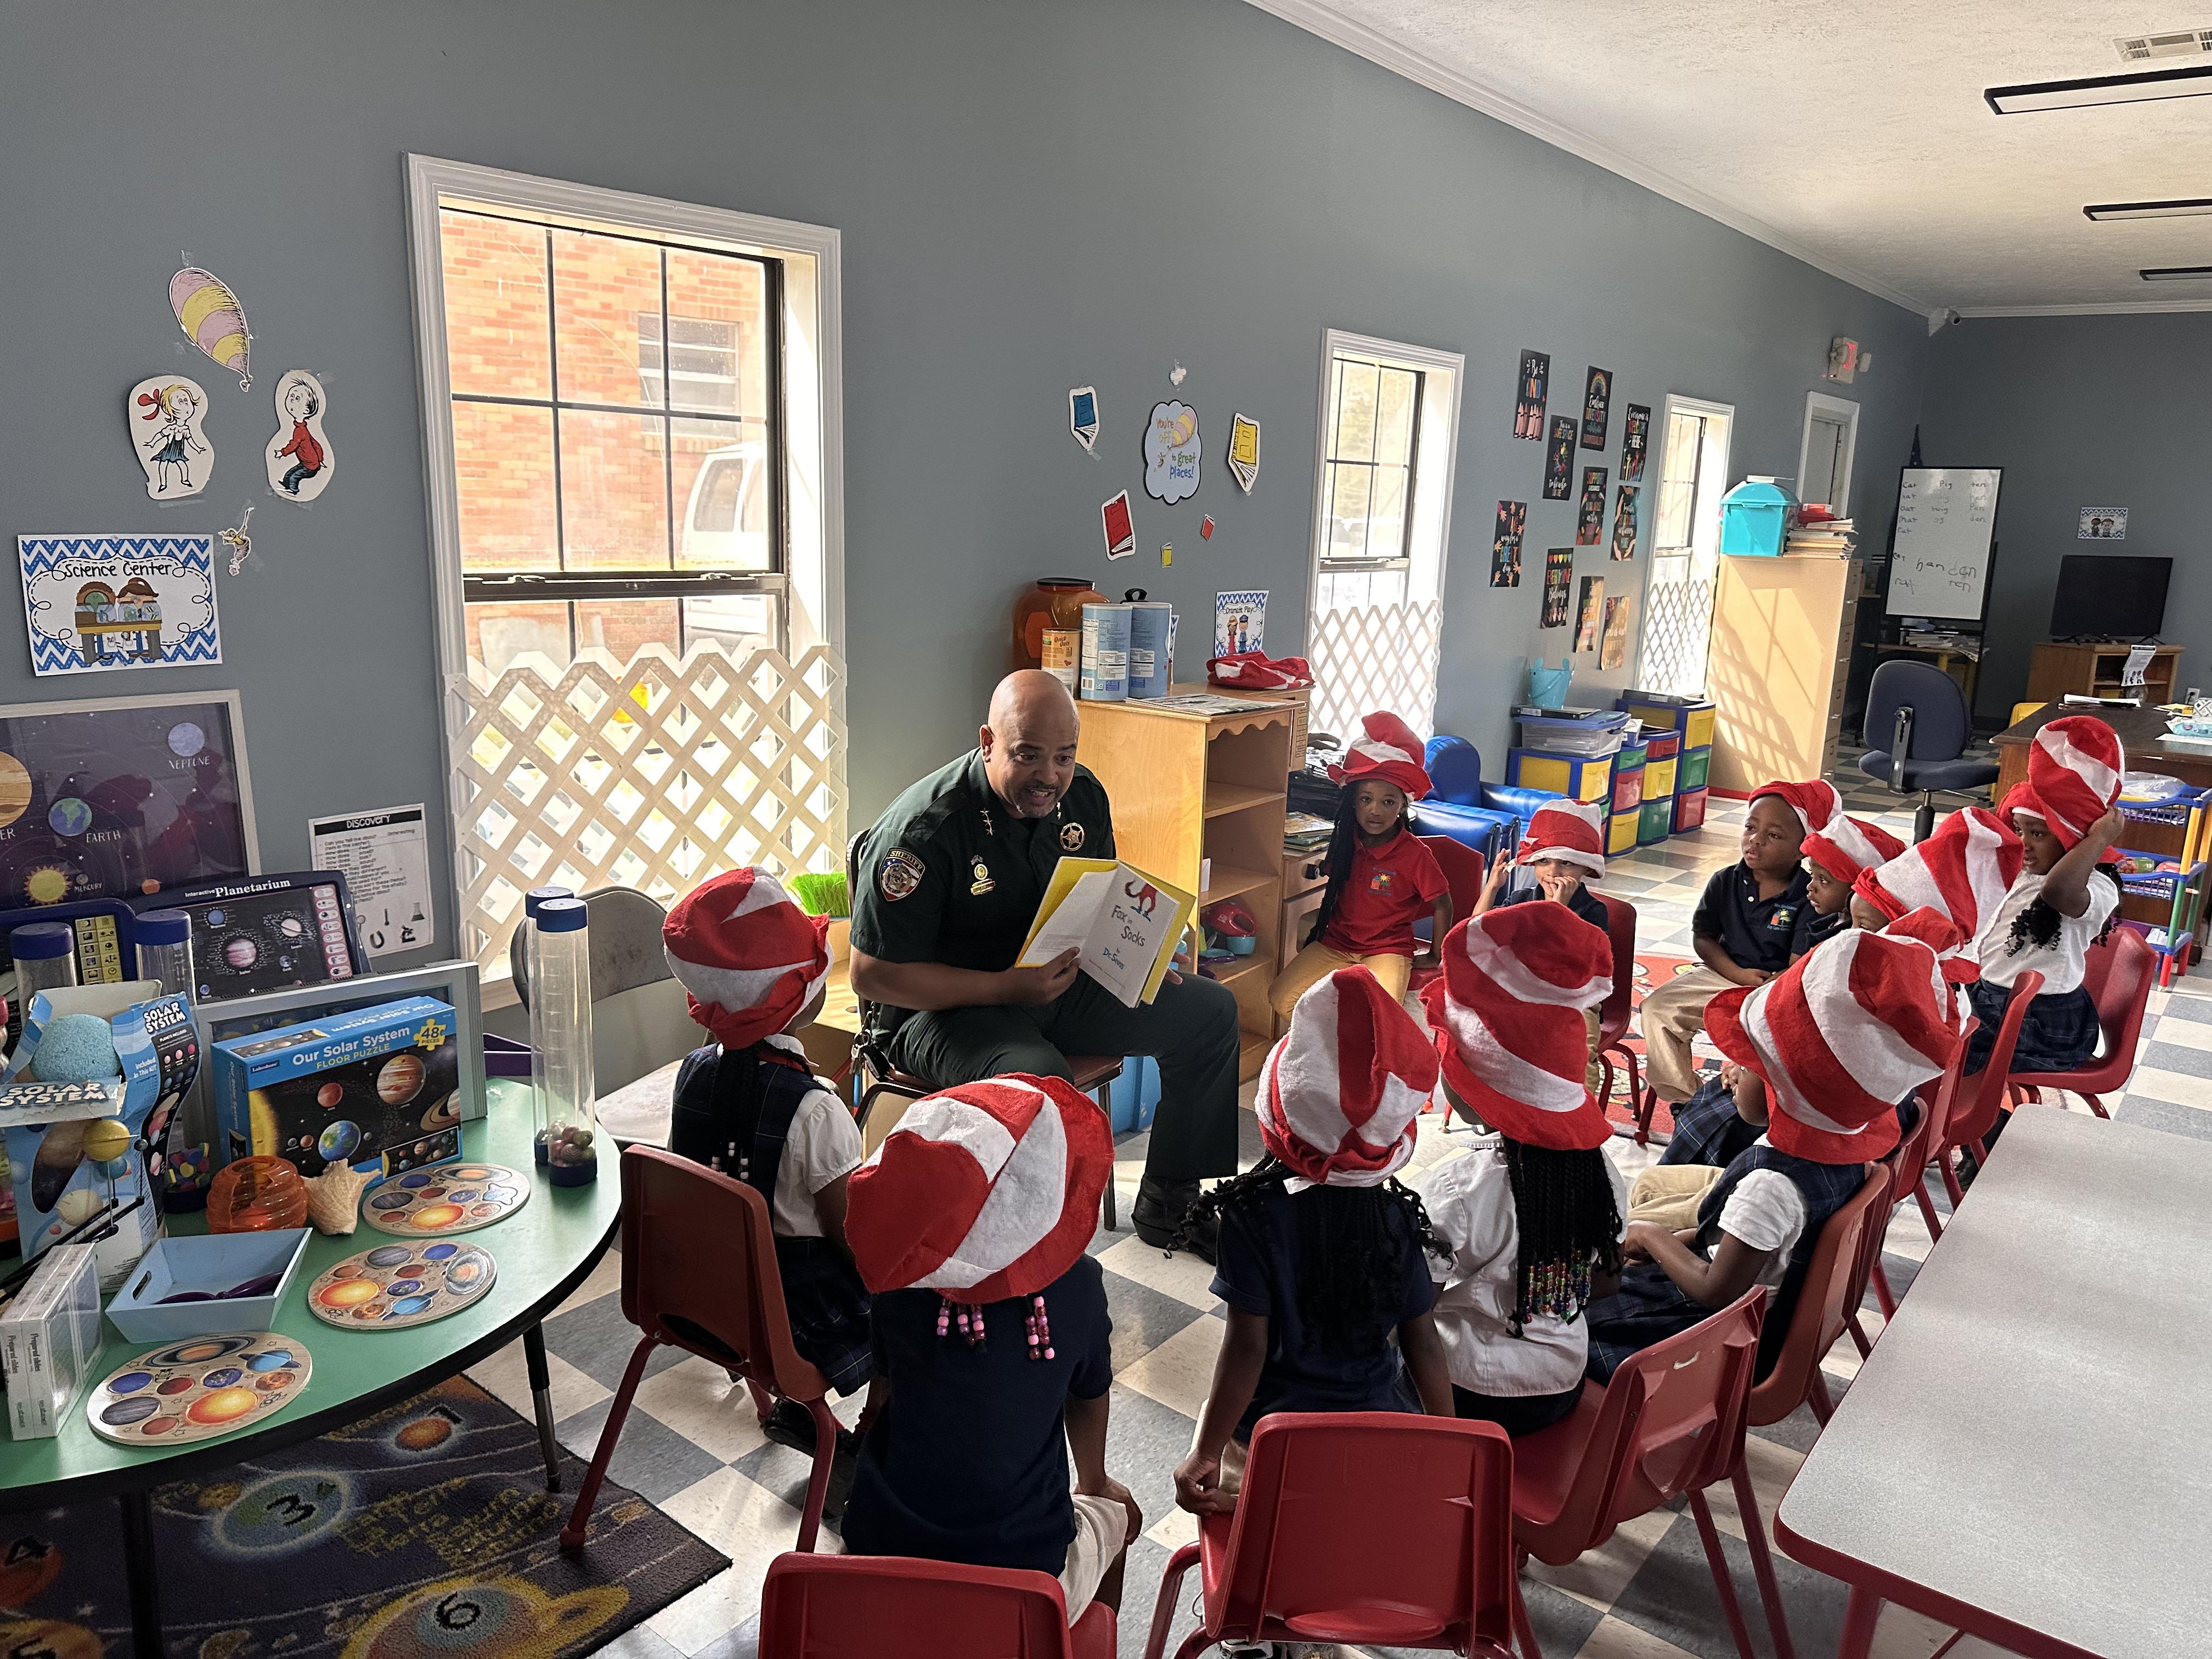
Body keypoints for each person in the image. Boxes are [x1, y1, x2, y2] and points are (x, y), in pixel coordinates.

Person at [848, 670, 1242, 1257]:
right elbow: (872, 976)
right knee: (1042, 1082)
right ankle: (1036, 1250)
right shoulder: (924, 832)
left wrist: (1150, 946)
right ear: (987, 742)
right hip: (941, 1013)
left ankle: (1170, 1202)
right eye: (1027, 755)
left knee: (1209, 1011)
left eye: (1064, 756)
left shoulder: (1082, 794)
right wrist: (1004, 986)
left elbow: (1101, 895)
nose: (1050, 777)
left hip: (1053, 983)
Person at [1587, 919, 1963, 1381]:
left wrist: (1651, 1237)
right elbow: (1733, 1246)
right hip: (1746, 1313)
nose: (1733, 1075)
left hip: (1708, 1337)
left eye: (1748, 1066)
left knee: (1558, 1323)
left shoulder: (1772, 1187)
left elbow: (1715, 1291)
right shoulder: (1845, 1144)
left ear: (1789, 1087)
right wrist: (1677, 1242)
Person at [840, 1075, 1139, 1624]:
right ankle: (1085, 1637)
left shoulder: (897, 1286)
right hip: (1021, 1575)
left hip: (878, 1553)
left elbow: (882, 1393)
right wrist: (1093, 1482)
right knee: (1121, 1516)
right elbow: (1089, 1395)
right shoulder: (1076, 1288)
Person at [1174, 966, 1455, 1515]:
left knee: (1220, 1456)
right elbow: (1422, 1341)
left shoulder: (1252, 1215)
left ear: (1278, 1119)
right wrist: (1449, 1439)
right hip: (1379, 1429)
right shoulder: (1393, 1215)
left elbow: (1247, 1348)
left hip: (1277, 1443)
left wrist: (1204, 1455)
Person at [659, 868, 873, 1460]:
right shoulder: (817, 1109)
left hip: (705, 1296)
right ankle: (868, 1445)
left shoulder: (693, 1071)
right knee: (915, 1303)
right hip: (792, 1309)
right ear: (794, 993)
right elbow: (852, 1235)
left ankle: (792, 1413)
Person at [1412, 904, 1628, 1433]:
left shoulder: (1459, 1191)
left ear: (1482, 1095)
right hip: (1560, 1386)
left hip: (1471, 1394)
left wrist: (1442, 1429)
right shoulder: (1602, 1173)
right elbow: (1603, 1284)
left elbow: (1412, 1318)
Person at [1267, 711, 1451, 1019]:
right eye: (1366, 800)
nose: (1375, 811)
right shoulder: (1345, 841)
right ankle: (1331, 1047)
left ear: (1403, 806)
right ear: (1353, 802)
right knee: (1281, 998)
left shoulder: (1415, 854)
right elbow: (1334, 883)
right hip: (1336, 943)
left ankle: (1359, 1056)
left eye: (1388, 802)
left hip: (1387, 949)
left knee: (1383, 1014)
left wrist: (1435, 955)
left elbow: (1443, 904)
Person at [1974, 716, 2126, 1081]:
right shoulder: (2023, 871)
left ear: (2071, 837)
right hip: (1996, 1000)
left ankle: (1970, 1123)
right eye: (2018, 830)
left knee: (1937, 1047)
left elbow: (2057, 893)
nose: (2023, 843)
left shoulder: (2095, 887)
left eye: (2039, 833)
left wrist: (2098, 839)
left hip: (2044, 1021)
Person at [1638, 792, 1809, 1108]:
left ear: (1802, 849)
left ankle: (1751, 1108)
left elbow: (1799, 966)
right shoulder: (1725, 880)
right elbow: (1704, 937)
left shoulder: (1807, 895)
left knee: (1776, 1037)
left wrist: (1765, 984)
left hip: (1774, 988)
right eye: (1750, 828)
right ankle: (1686, 1103)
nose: (1755, 841)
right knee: (1657, 1009)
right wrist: (1736, 973)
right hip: (1723, 972)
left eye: (1773, 835)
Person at [1472, 797, 1611, 1088]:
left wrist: (1557, 910)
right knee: (1480, 1033)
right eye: (1545, 861)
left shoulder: (1593, 912)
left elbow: (1580, 969)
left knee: (1579, 1051)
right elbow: (1476, 933)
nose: (1553, 872)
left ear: (1585, 868)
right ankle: (1506, 1114)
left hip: (1576, 998)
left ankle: (1577, 1121)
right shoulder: (1521, 899)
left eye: (1566, 863)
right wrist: (1492, 887)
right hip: (1521, 991)